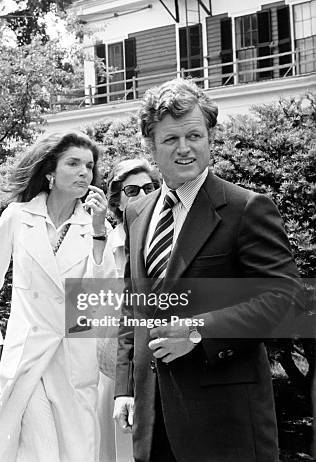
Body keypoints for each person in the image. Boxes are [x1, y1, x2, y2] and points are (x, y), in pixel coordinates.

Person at [112, 78, 304, 462]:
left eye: (194, 135)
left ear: (210, 136)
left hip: (227, 421)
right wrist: (126, 387)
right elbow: (134, 306)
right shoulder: (137, 211)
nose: (184, 149)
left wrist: (198, 331)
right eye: (170, 140)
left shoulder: (246, 208)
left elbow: (285, 300)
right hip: (154, 424)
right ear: (151, 146)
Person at [0, 131, 110, 462]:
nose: (84, 172)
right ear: (50, 172)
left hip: (74, 356)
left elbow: (99, 299)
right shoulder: (18, 216)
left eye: (89, 166)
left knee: (75, 451)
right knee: (35, 447)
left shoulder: (96, 225)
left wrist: (98, 231)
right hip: (28, 354)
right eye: (73, 163)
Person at [97, 158, 160, 461]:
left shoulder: (163, 237)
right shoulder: (105, 243)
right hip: (114, 360)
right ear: (118, 201)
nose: (143, 195)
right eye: (132, 190)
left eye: (149, 187)